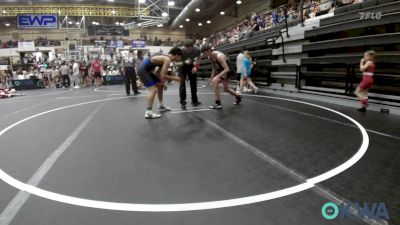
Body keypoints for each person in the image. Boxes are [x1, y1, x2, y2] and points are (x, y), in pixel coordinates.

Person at [137, 47, 182, 119]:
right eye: (180, 57)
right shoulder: (167, 59)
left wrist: (162, 83)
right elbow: (162, 75)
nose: (180, 58)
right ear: (176, 55)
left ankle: (161, 105)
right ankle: (148, 113)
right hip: (143, 70)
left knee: (160, 86)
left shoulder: (165, 58)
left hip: (147, 71)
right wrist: (175, 78)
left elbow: (158, 73)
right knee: (154, 90)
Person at [201, 45, 243, 109]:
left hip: (228, 69)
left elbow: (227, 69)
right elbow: (214, 69)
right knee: (226, 89)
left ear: (209, 50)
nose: (204, 55)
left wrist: (216, 77)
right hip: (223, 69)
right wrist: (211, 78)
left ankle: (218, 103)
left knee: (215, 81)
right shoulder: (210, 57)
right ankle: (238, 97)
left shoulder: (219, 56)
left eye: (204, 53)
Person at [179, 39, 202, 109]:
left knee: (193, 83)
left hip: (192, 65)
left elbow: (199, 59)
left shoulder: (197, 50)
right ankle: (182, 100)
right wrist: (184, 62)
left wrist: (196, 67)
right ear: (184, 47)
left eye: (190, 49)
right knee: (182, 83)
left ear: (193, 46)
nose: (188, 50)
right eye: (187, 49)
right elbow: (178, 61)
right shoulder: (181, 50)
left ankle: (194, 100)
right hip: (183, 65)